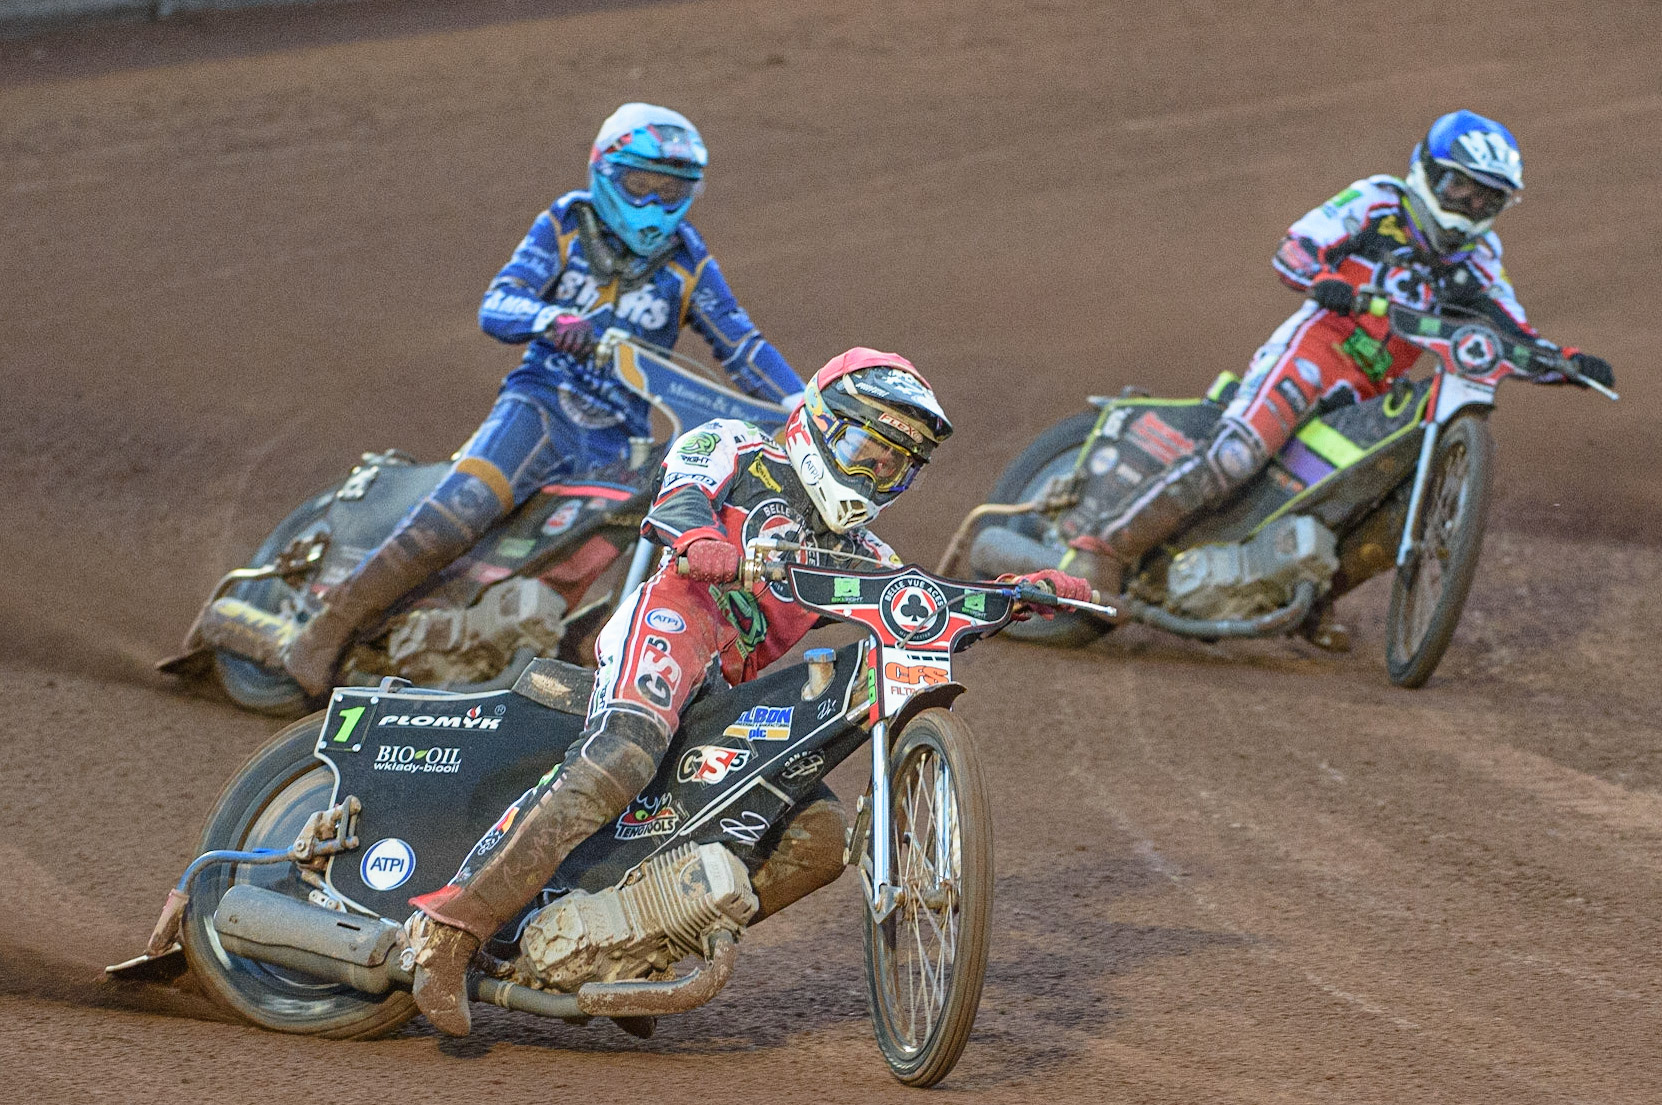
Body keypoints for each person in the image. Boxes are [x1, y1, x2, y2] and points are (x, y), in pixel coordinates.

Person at [402, 348, 1091, 1035]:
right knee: (624, 751)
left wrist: (1018, 596)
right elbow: (677, 494)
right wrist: (702, 538)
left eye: (892, 467)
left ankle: (633, 944)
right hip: (673, 621)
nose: (871, 476)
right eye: (863, 451)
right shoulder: (734, 445)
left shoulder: (862, 553)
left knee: (818, 840)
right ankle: (450, 929)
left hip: (726, 687)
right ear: (817, 423)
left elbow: (920, 607)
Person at [231, 102, 805, 695]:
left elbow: (743, 347)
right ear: (606, 172)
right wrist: (549, 318)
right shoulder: (566, 224)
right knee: (465, 509)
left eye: (674, 191)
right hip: (540, 408)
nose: (657, 204)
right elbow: (499, 303)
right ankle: (324, 633)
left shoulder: (689, 261)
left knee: (656, 531)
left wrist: (802, 407)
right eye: (642, 185)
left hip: (617, 441)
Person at [1064, 110, 1617, 613]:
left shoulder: (1480, 259)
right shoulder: (1378, 201)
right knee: (1238, 453)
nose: (1470, 206)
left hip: (1371, 391)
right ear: (1427, 170)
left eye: (1486, 199)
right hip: (1313, 351)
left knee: (1383, 495)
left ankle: (1310, 600)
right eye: (1460, 187)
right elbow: (1296, 247)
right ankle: (1101, 550)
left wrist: (1564, 362)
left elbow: (1511, 332)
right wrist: (1324, 279)